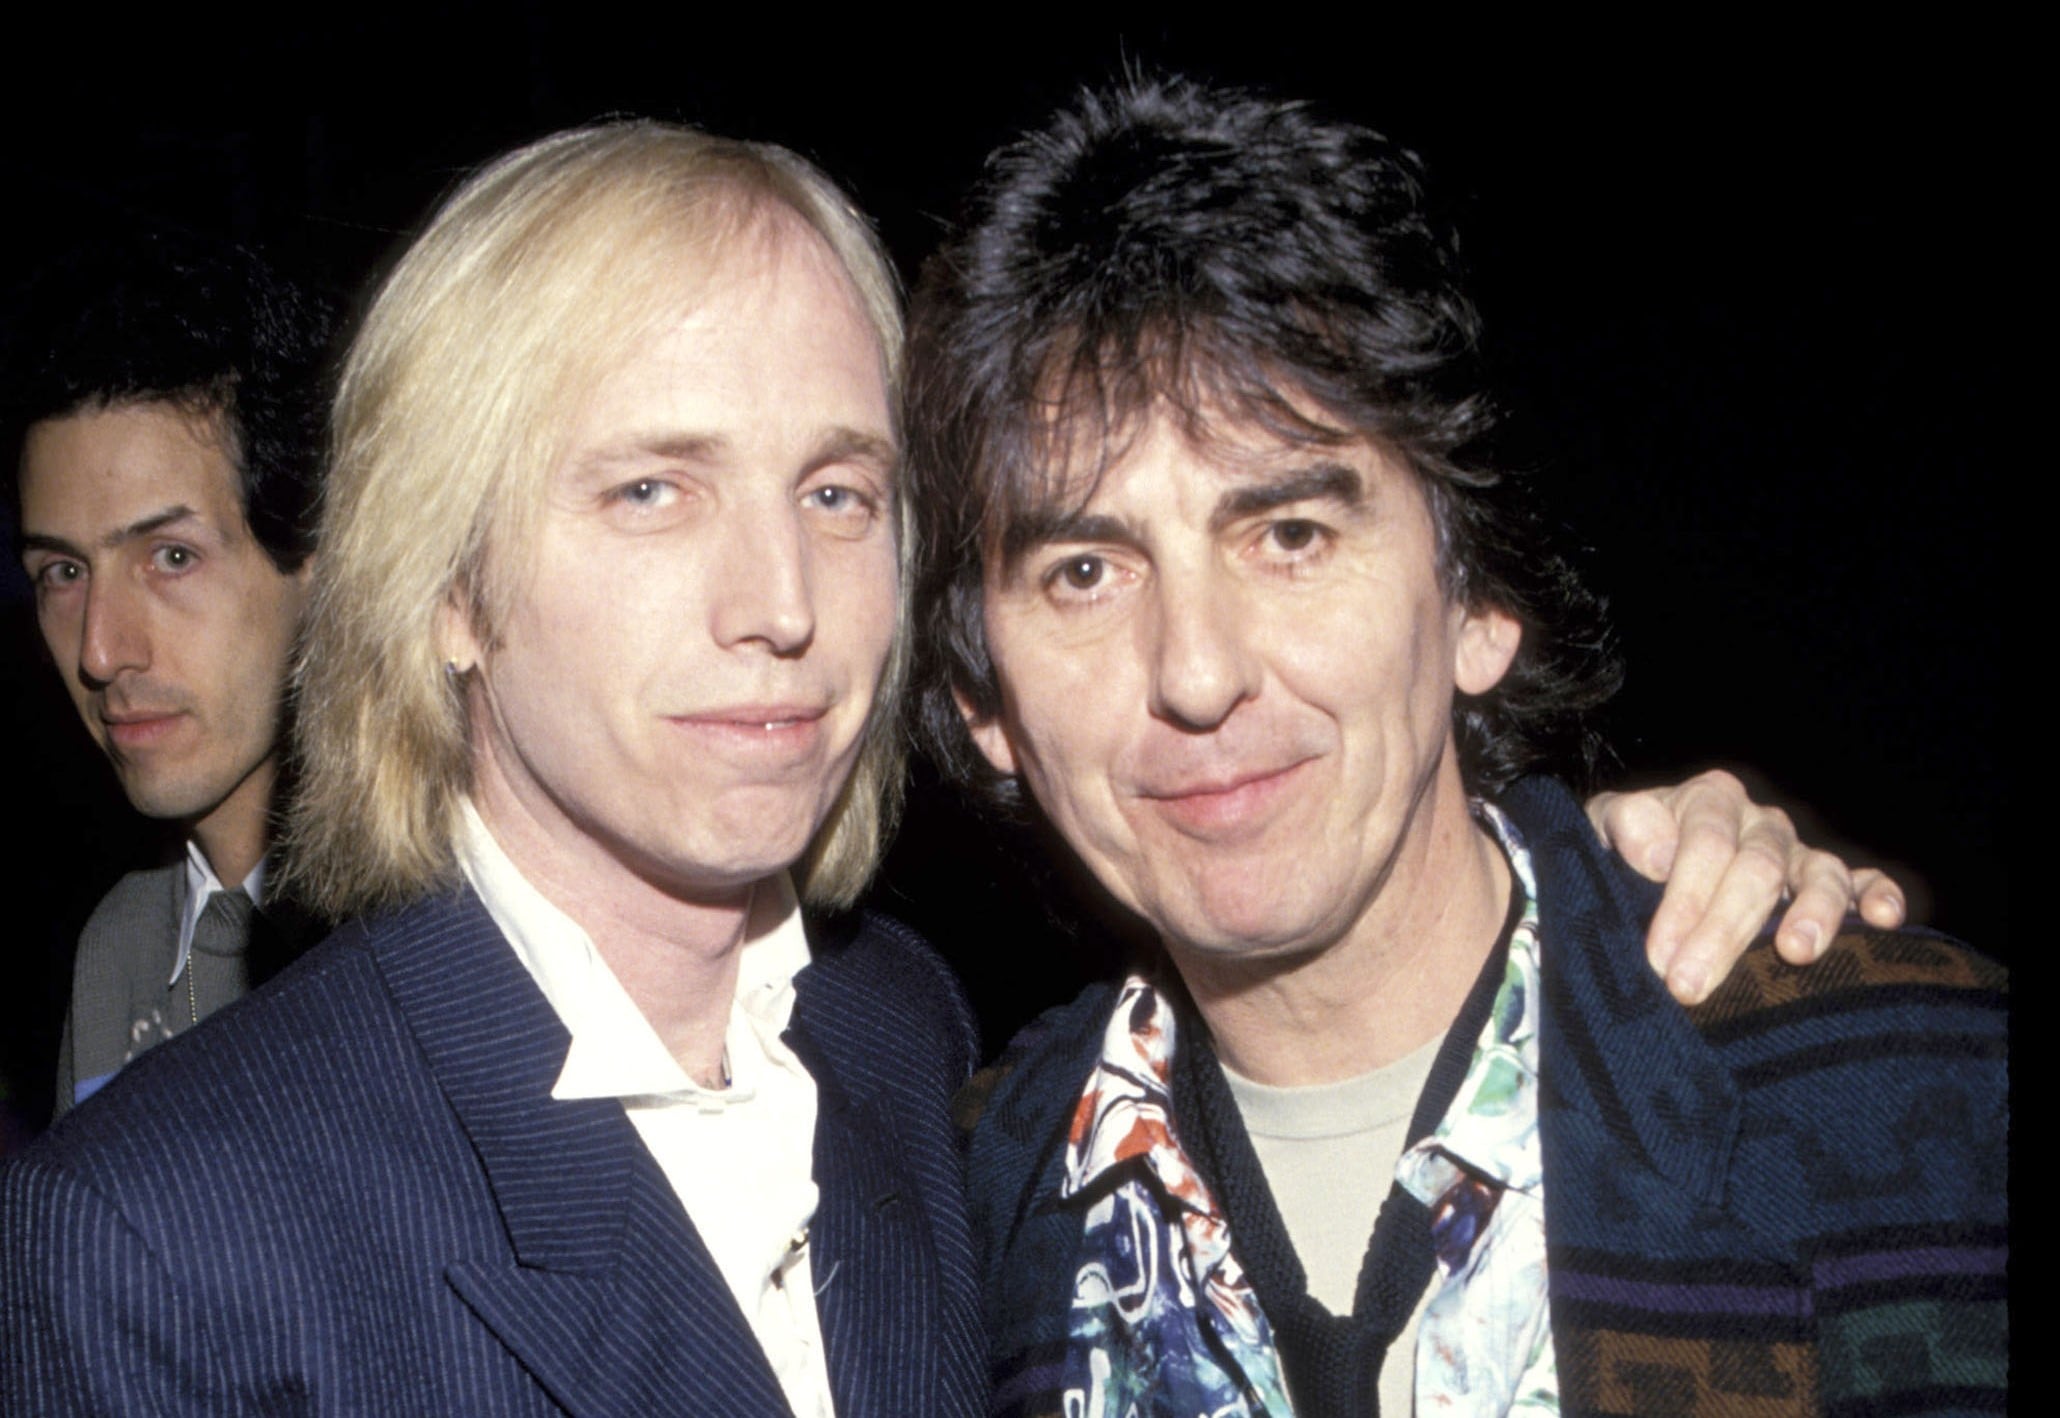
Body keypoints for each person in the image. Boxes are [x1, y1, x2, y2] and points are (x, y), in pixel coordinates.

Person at [911, 78, 2006, 1416]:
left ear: (1476, 602)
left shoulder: (1922, 1093)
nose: (1195, 671)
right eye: (1084, 570)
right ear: (985, 697)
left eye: (1290, 535)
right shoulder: (949, 1224)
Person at [1, 124, 981, 1415]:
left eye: (837, 493)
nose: (783, 603)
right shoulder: (153, 1239)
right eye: (651, 490)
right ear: (448, 585)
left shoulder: (904, 1023)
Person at [5, 233, 332, 1118]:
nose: (100, 652)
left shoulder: (459, 938)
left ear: (316, 558)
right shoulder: (119, 953)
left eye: (171, 557)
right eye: (63, 572)